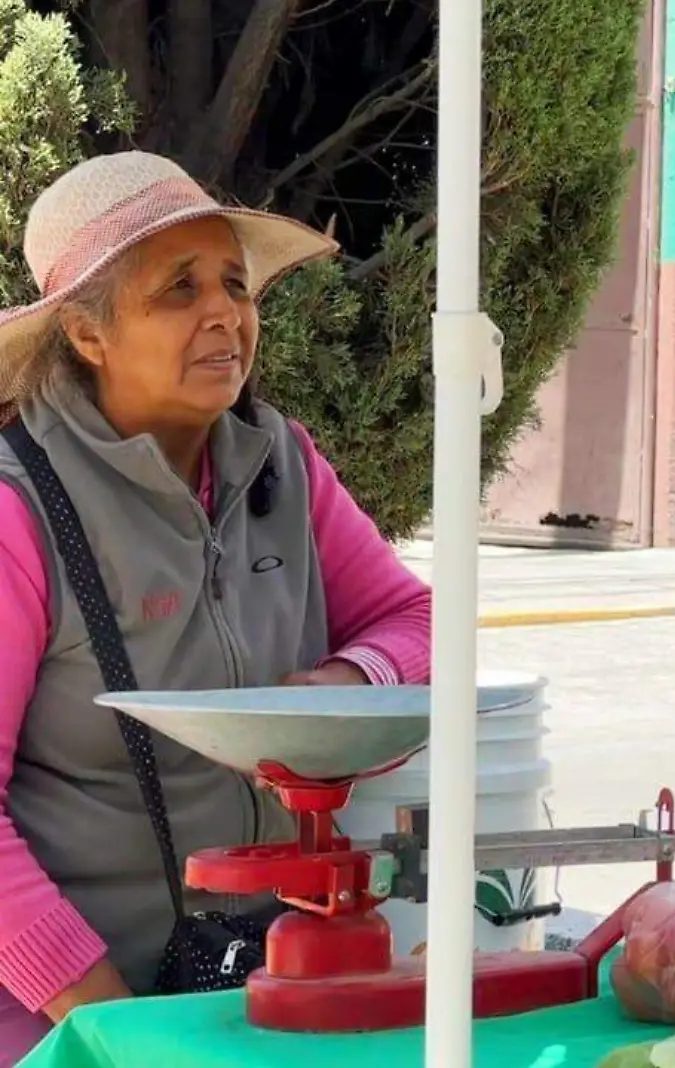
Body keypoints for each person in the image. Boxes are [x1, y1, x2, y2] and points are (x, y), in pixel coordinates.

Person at [0, 152, 432, 1062]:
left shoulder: (281, 461)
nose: (224, 315)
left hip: (251, 992)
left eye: (235, 284)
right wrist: (107, 1024)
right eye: (178, 289)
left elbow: (419, 625)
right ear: (87, 335)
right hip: (65, 1020)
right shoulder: (18, 507)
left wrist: (347, 678)